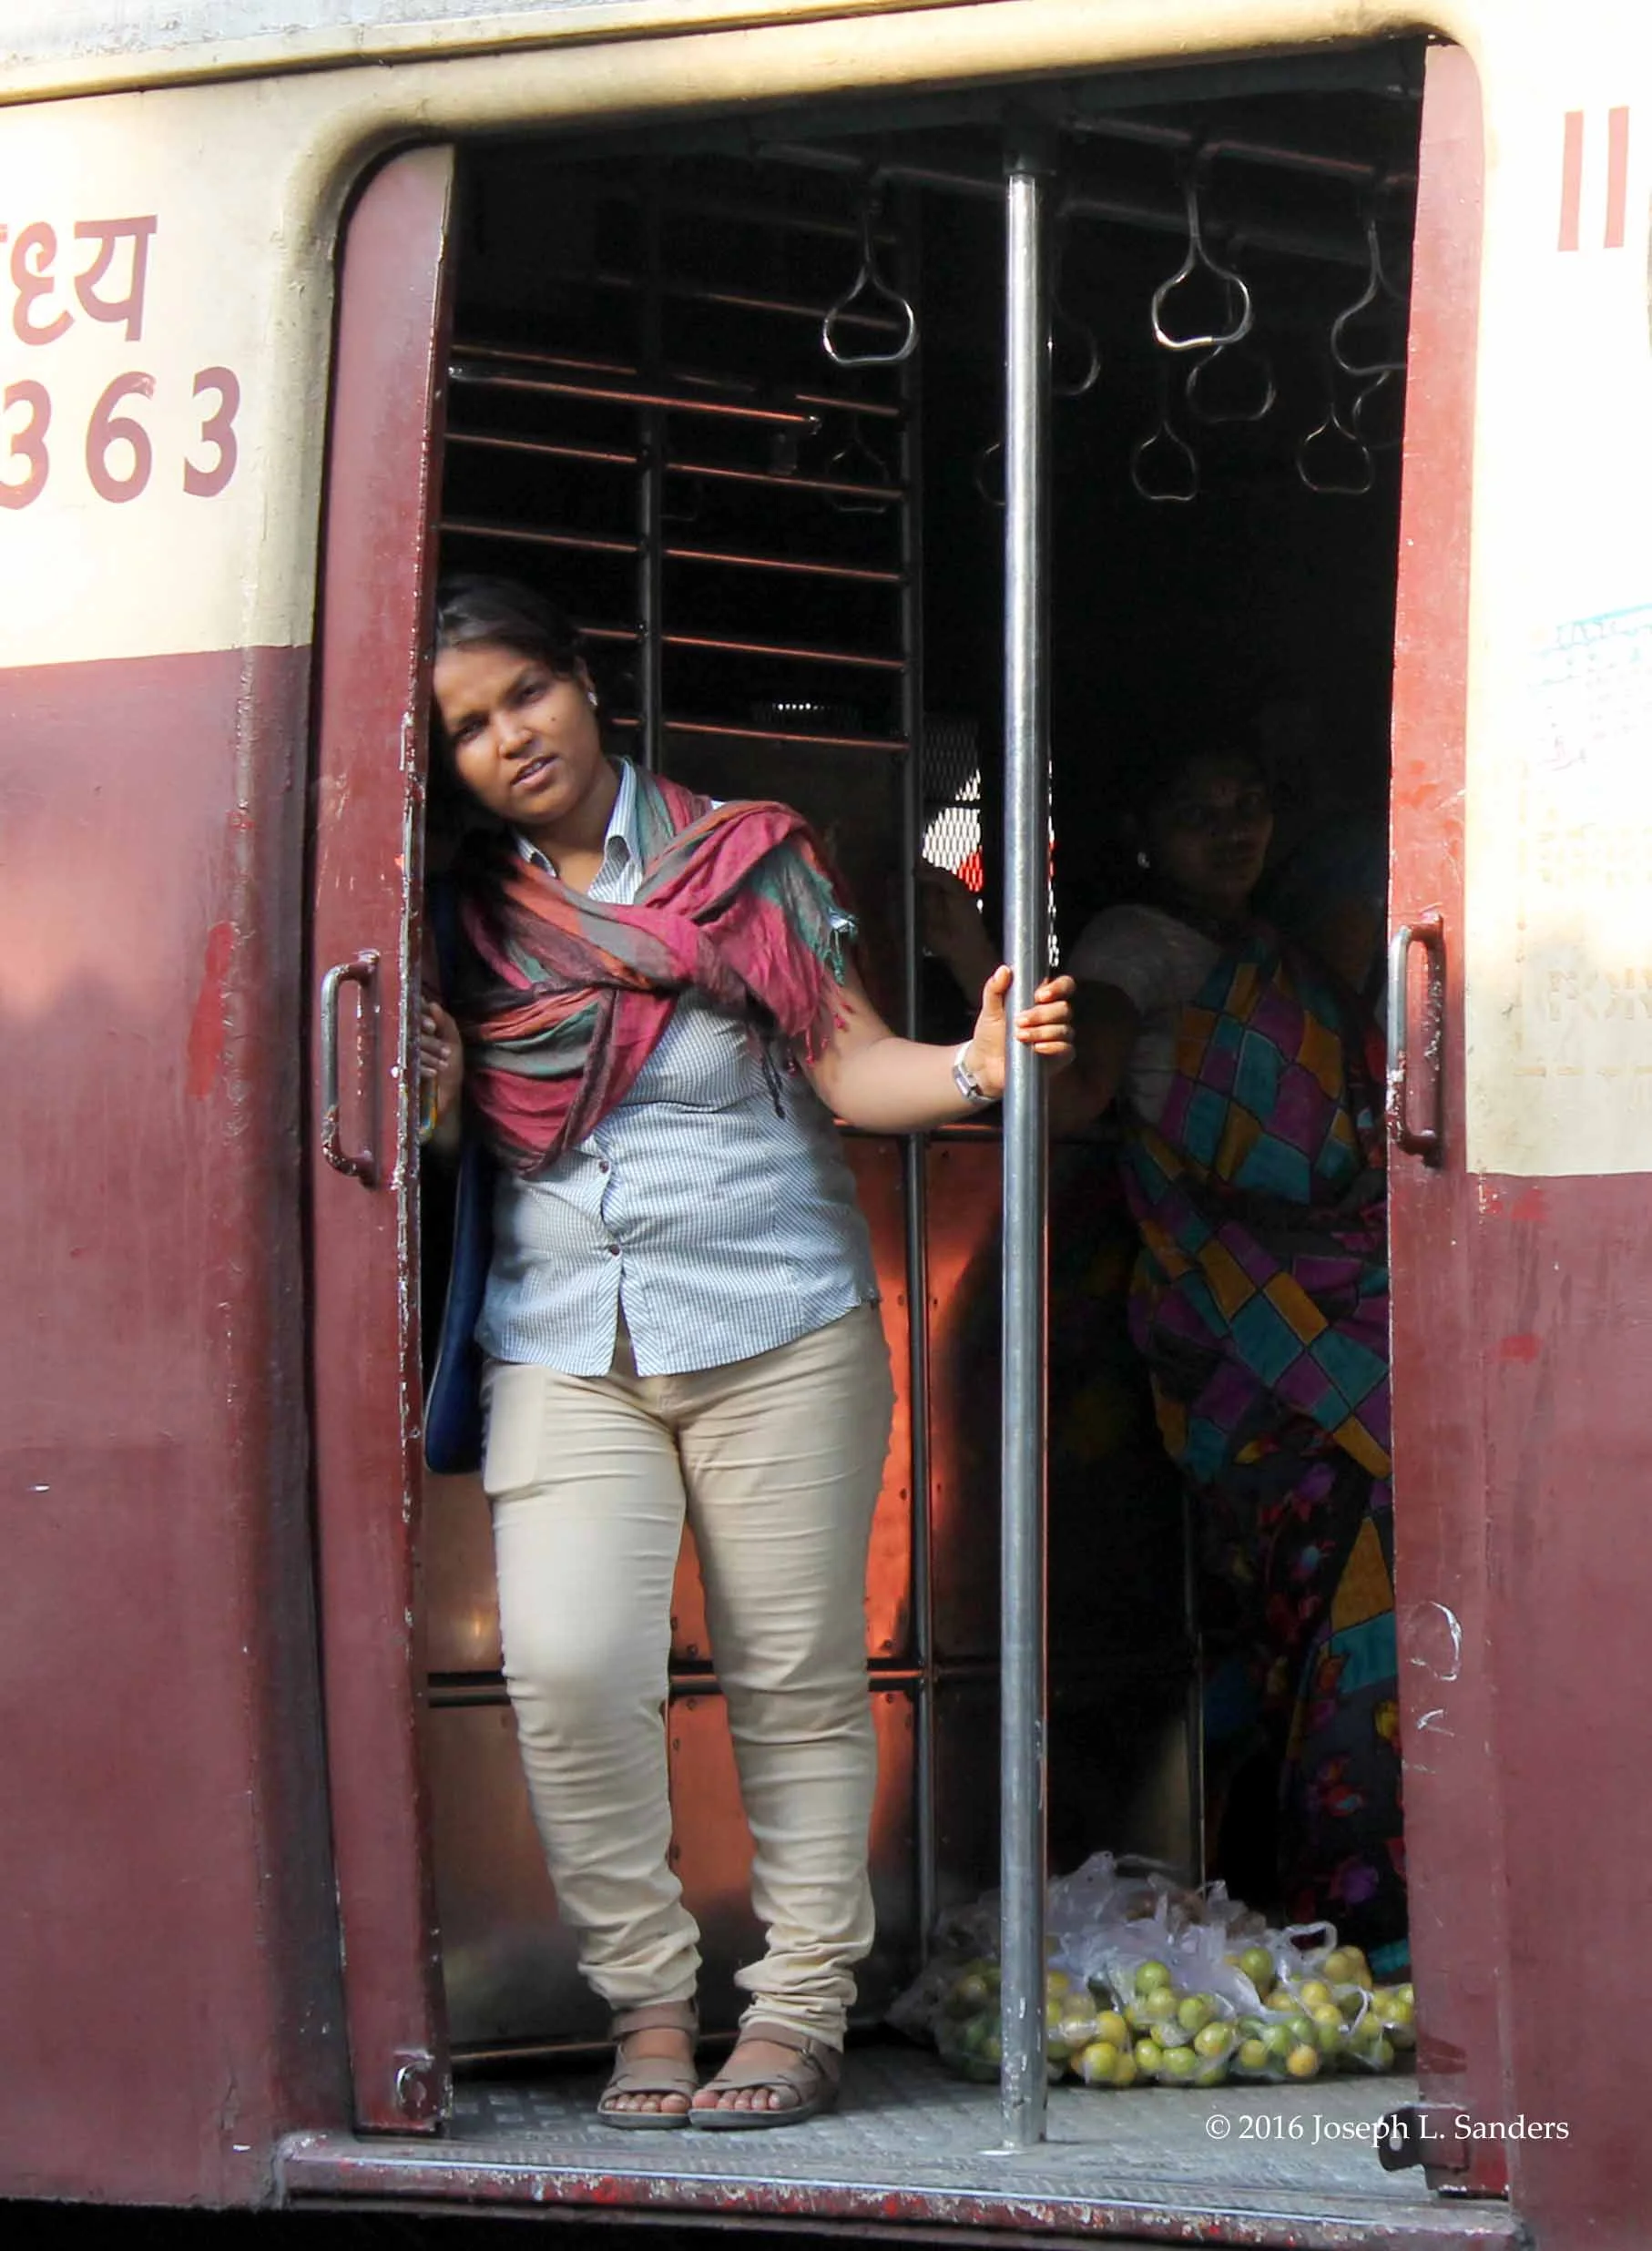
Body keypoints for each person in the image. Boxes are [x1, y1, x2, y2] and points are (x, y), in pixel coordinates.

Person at [417, 575, 1075, 2132]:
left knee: (794, 1680)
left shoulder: (753, 859)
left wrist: (977, 1065)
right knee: (568, 1671)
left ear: (585, 683)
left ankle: (795, 2011)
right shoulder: (455, 915)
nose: (512, 739)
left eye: (526, 694)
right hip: (562, 1340)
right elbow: (444, 1148)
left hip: (778, 1326)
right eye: (469, 728)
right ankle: (646, 2005)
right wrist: (433, 1098)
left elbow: (853, 1068)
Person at [926, 736, 1404, 1969]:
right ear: (1142, 833)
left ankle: (1353, 1901)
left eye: (1248, 804)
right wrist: (975, 969)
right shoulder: (1130, 946)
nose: (1233, 830)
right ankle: (1354, 1910)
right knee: (1331, 1599)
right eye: (1200, 811)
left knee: (1361, 1599)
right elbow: (1074, 1093)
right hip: (1243, 1326)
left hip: (1340, 1303)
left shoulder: (1280, 950)